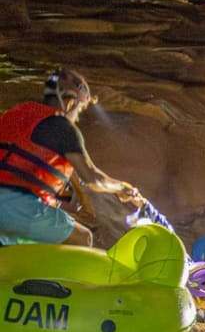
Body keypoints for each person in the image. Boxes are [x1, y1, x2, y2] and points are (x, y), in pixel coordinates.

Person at [0, 68, 140, 246]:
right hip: (18, 207)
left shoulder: (14, 115)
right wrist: (123, 188)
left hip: (11, 209)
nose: (77, 117)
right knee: (83, 238)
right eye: (80, 110)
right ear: (70, 102)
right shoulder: (63, 127)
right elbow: (93, 179)